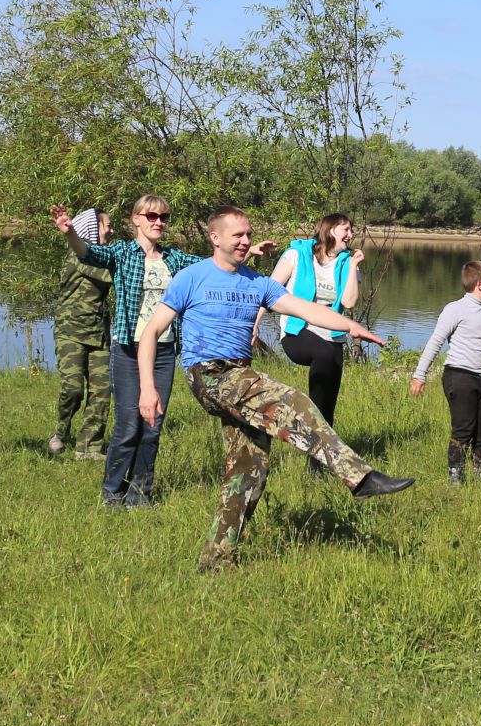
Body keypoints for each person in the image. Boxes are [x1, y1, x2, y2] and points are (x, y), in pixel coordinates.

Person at [138, 206, 414, 571]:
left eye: (248, 234)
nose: (246, 241)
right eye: (237, 235)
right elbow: (151, 333)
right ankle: (358, 477)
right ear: (215, 237)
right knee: (293, 401)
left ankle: (215, 561)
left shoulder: (258, 283)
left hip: (240, 375)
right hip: (210, 374)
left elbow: (307, 310)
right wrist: (148, 387)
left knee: (249, 469)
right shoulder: (192, 277)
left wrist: (350, 326)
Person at [53, 196, 206, 508]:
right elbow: (88, 252)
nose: (158, 222)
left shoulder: (173, 259)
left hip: (163, 352)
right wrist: (69, 232)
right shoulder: (122, 254)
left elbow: (210, 266)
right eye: (151, 216)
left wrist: (245, 254)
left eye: (164, 217)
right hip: (127, 349)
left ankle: (139, 495)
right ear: (136, 219)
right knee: (128, 426)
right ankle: (112, 492)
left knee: (152, 427)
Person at [410, 260, 481, 483]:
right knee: (464, 428)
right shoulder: (455, 309)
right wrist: (419, 375)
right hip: (459, 377)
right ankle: (456, 474)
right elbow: (435, 342)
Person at [269, 214, 363, 425]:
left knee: (328, 407)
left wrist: (352, 267)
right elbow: (268, 292)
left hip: (332, 336)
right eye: (346, 229)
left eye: (351, 230)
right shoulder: (297, 254)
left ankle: (318, 447)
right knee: (324, 352)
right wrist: (254, 325)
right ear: (330, 230)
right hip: (297, 331)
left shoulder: (348, 261)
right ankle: (307, 420)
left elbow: (348, 302)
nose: (351, 234)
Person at [50, 209, 114, 460]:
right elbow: (114, 276)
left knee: (101, 392)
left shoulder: (103, 257)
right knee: (73, 388)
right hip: (70, 332)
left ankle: (89, 447)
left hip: (98, 335)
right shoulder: (79, 256)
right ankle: (60, 432)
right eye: (107, 225)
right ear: (91, 228)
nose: (111, 230)